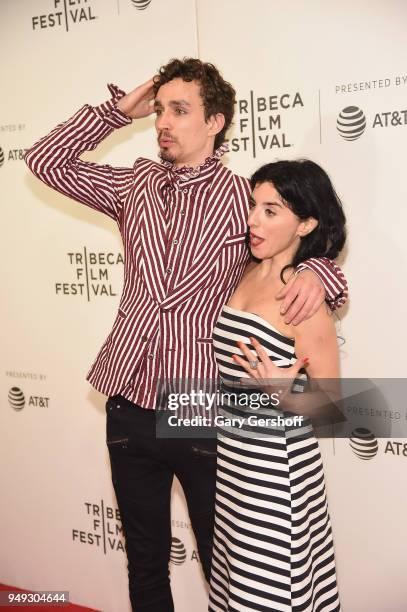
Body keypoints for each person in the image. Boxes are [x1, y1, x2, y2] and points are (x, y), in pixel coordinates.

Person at [25, 59, 347, 612]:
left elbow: (298, 244)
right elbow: (45, 161)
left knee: (226, 567)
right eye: (158, 110)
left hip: (201, 404)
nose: (163, 123)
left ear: (216, 121)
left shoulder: (242, 202)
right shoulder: (135, 185)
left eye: (180, 110)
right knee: (144, 562)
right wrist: (113, 112)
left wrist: (324, 273)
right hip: (128, 396)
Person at [209, 160, 345, 612]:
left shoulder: (303, 297)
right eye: (253, 206)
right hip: (234, 462)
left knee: (268, 592)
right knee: (235, 589)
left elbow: (332, 403)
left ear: (306, 223)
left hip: (276, 470)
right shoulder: (247, 270)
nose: (253, 219)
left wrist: (284, 391)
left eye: (272, 210)